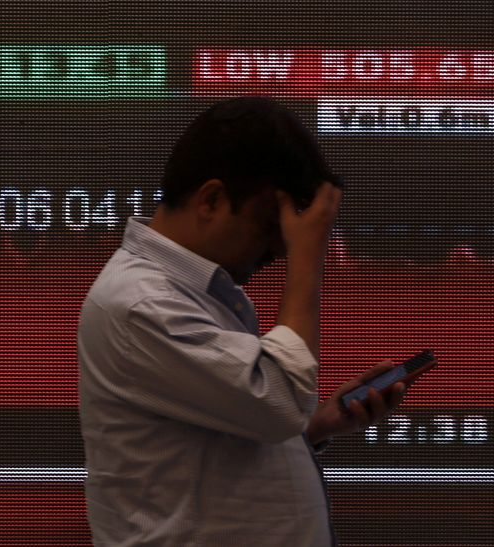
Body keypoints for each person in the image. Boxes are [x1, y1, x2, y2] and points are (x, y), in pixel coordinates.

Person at [76, 96, 409, 546]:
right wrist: (310, 259)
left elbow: (205, 454)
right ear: (211, 200)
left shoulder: (189, 294)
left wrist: (314, 428)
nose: (280, 249)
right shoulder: (141, 304)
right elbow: (278, 403)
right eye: (271, 225)